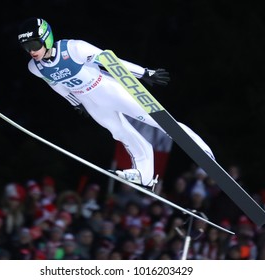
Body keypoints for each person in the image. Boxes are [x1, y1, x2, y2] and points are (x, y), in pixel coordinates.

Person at [17, 17, 214, 190]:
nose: (32, 51)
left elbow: (111, 61)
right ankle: (145, 175)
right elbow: (56, 85)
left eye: (35, 44)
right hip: (91, 102)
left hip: (109, 89)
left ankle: (203, 152)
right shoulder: (35, 68)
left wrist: (145, 73)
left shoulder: (74, 48)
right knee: (119, 132)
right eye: (27, 48)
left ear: (46, 38)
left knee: (159, 120)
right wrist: (75, 103)